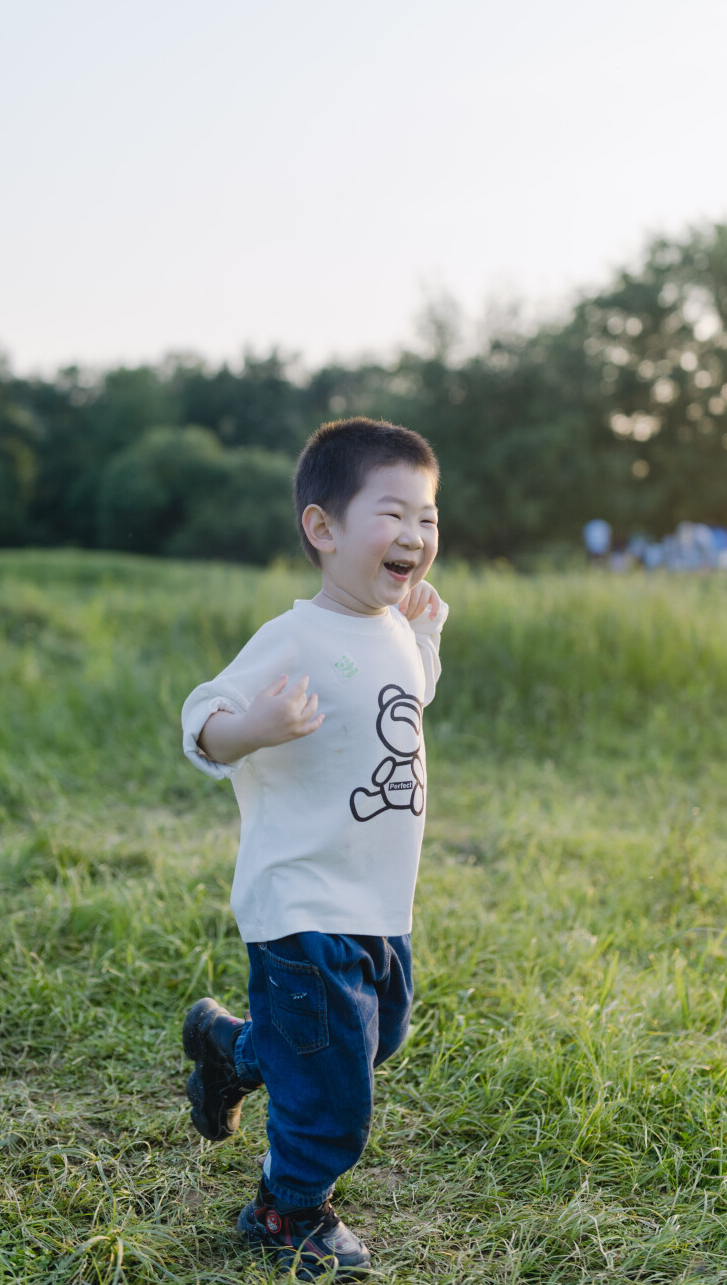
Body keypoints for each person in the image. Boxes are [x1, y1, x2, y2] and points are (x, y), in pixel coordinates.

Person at [180, 418, 448, 1278]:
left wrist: (428, 636)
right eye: (394, 513)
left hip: (378, 899)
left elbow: (405, 699)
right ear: (323, 529)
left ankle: (231, 1050)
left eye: (429, 517)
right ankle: (286, 1207)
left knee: (373, 1040)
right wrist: (249, 727)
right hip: (301, 901)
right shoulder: (293, 637)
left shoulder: (395, 628)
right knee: (335, 1086)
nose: (415, 535)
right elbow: (200, 716)